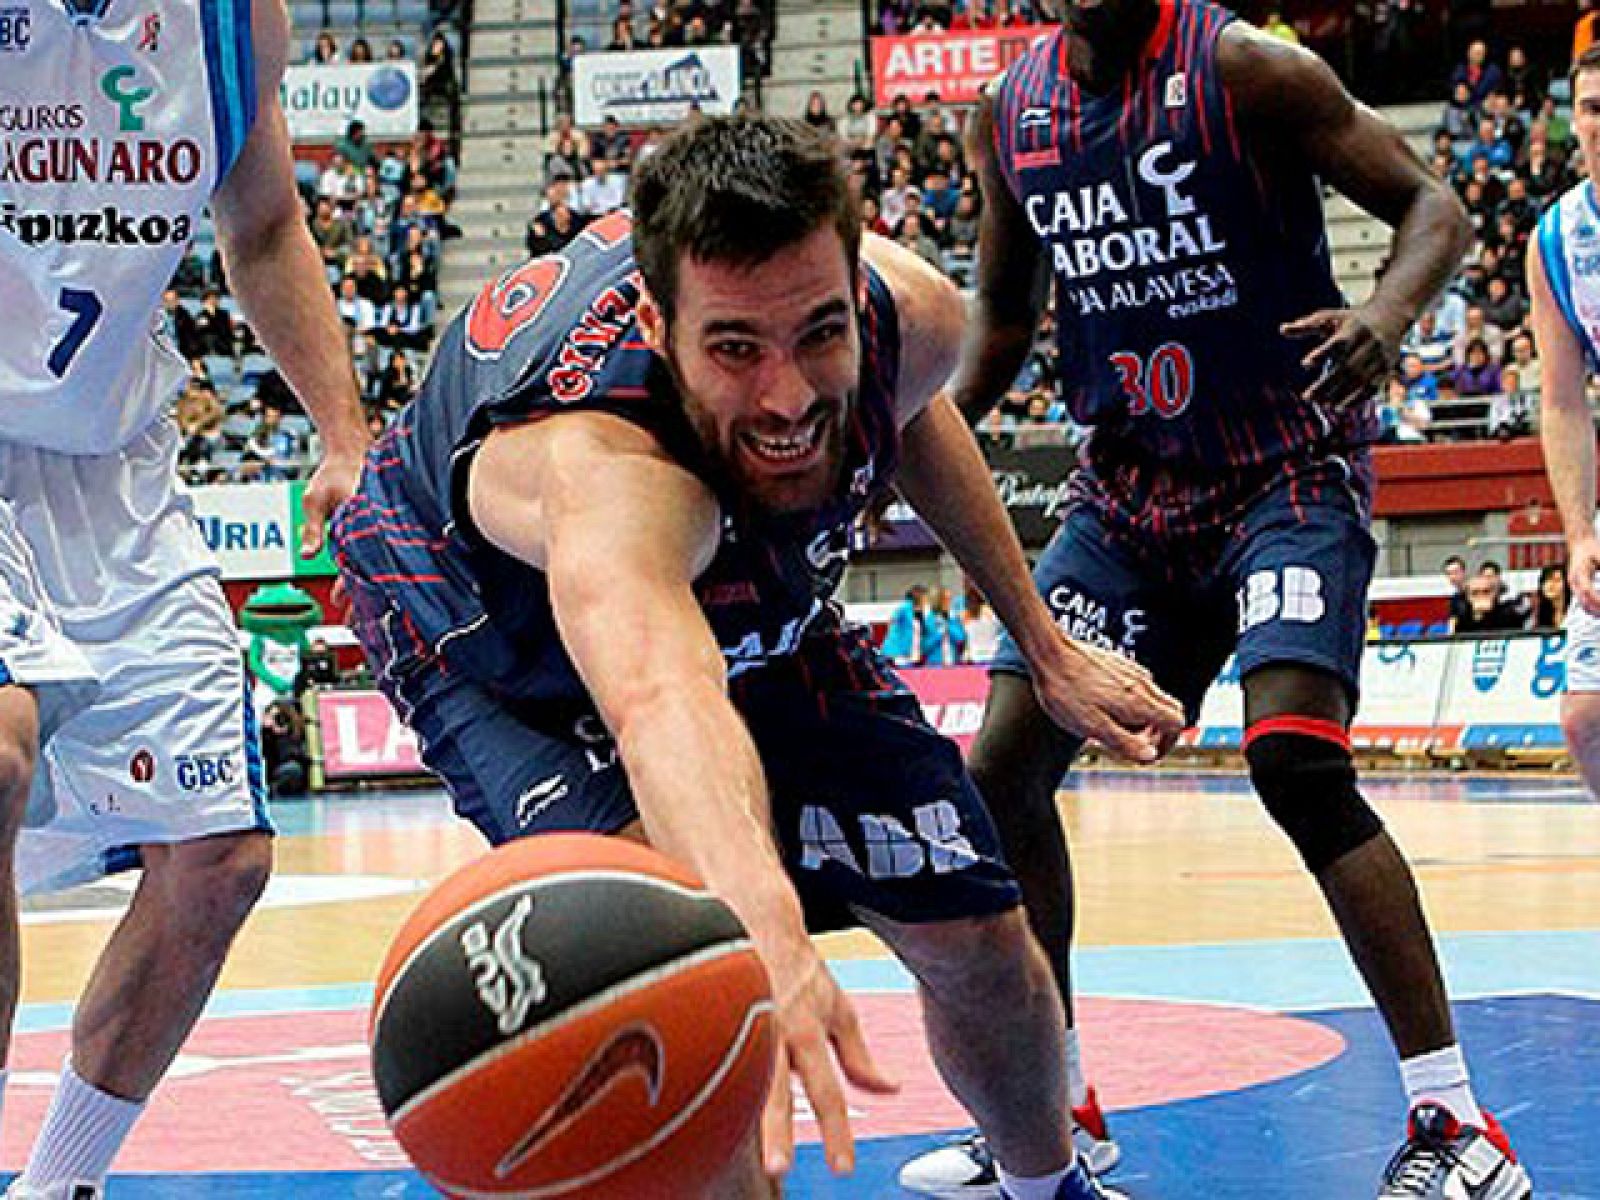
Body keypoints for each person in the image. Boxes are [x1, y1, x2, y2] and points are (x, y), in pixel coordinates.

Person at [332, 115, 1183, 1200]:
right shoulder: (604, 467)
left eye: (818, 336)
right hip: (495, 639)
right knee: (695, 992)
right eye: (735, 348)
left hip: (736, 584)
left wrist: (1045, 645)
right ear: (658, 321)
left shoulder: (909, 311)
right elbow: (659, 696)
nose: (786, 395)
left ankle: (1046, 1187)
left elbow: (911, 414)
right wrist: (769, 937)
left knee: (980, 936)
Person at [898, 4, 1534, 1199]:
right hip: (1125, 494)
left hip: (1284, 470)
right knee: (1000, 770)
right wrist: (900, 433)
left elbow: (1433, 207)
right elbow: (1000, 321)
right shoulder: (1011, 114)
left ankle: (1457, 1129)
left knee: (1295, 759)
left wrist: (1387, 320)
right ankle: (1053, 1114)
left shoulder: (1243, 68)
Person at [0, 0, 368, 1195]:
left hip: (114, 461)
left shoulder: (227, 18)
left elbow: (261, 226)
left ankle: (57, 1185)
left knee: (217, 857)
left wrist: (343, 434)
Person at [1533, 47, 1600, 799]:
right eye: (1592, 107)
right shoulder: (1556, 240)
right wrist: (1580, 532)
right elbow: (1562, 400)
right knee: (1586, 717)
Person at [1531, 564, 1571, 631]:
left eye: (1556, 580)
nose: (1550, 585)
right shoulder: (1540, 611)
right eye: (1546, 581)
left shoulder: (1576, 610)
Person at [1443, 554, 1473, 631]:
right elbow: (1453, 621)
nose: (1452, 576)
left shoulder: (1477, 592)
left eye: (1455, 572)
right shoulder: (1454, 599)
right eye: (1449, 574)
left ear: (1464, 572)